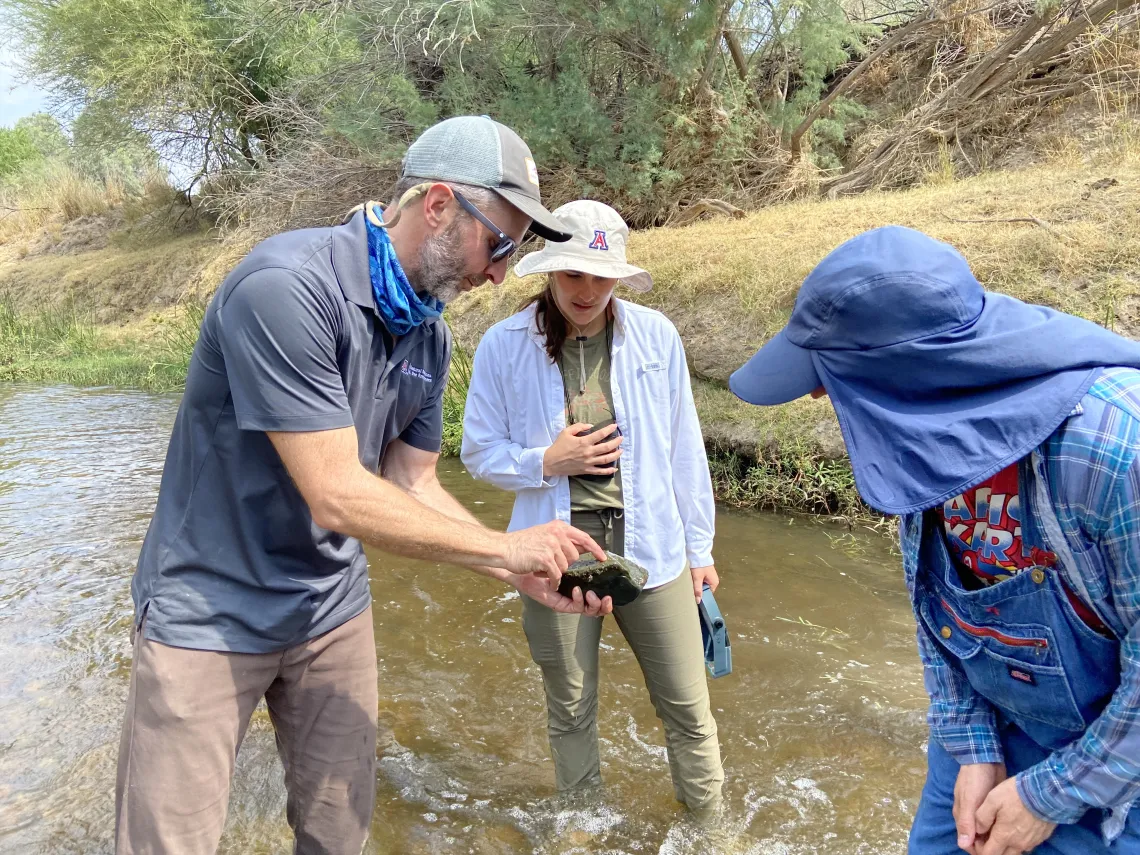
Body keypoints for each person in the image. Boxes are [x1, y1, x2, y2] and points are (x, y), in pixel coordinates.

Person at [116, 116, 612, 855]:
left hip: (329, 607)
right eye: (499, 243)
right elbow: (337, 492)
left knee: (338, 832)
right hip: (208, 608)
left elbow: (410, 480)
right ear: (439, 205)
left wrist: (515, 563)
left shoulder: (430, 334)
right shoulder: (287, 289)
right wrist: (507, 550)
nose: (501, 273)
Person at [729, 225, 1140, 855]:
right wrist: (971, 742)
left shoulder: (1113, 449)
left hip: (1115, 758)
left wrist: (1050, 794)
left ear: (906, 375)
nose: (814, 393)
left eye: (830, 376)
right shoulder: (920, 425)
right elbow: (934, 601)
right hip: (987, 720)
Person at [461, 200, 725, 816]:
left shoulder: (656, 335)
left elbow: (684, 448)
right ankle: (584, 828)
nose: (588, 290)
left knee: (688, 707)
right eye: (574, 274)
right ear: (551, 270)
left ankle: (711, 829)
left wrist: (700, 550)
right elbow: (478, 453)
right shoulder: (505, 346)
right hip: (552, 557)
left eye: (601, 275)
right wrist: (545, 462)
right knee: (572, 709)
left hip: (653, 549)